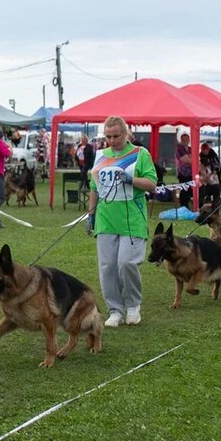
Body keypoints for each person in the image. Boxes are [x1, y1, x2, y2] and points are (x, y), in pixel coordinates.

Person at [85, 115, 158, 327]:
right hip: (106, 220)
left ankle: (133, 305)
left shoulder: (139, 154)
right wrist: (91, 214)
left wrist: (131, 180)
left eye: (116, 136)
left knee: (126, 263)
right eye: (108, 136)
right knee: (107, 266)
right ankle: (115, 310)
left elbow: (152, 184)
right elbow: (94, 187)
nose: (112, 140)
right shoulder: (101, 155)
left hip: (132, 219)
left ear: (125, 134)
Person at [198, 140, 221, 207]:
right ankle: (202, 203)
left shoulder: (213, 155)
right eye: (204, 150)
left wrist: (213, 173)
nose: (205, 151)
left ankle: (216, 203)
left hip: (213, 175)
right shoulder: (200, 156)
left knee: (217, 187)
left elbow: (217, 166)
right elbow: (200, 168)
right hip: (204, 176)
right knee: (202, 187)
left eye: (207, 150)